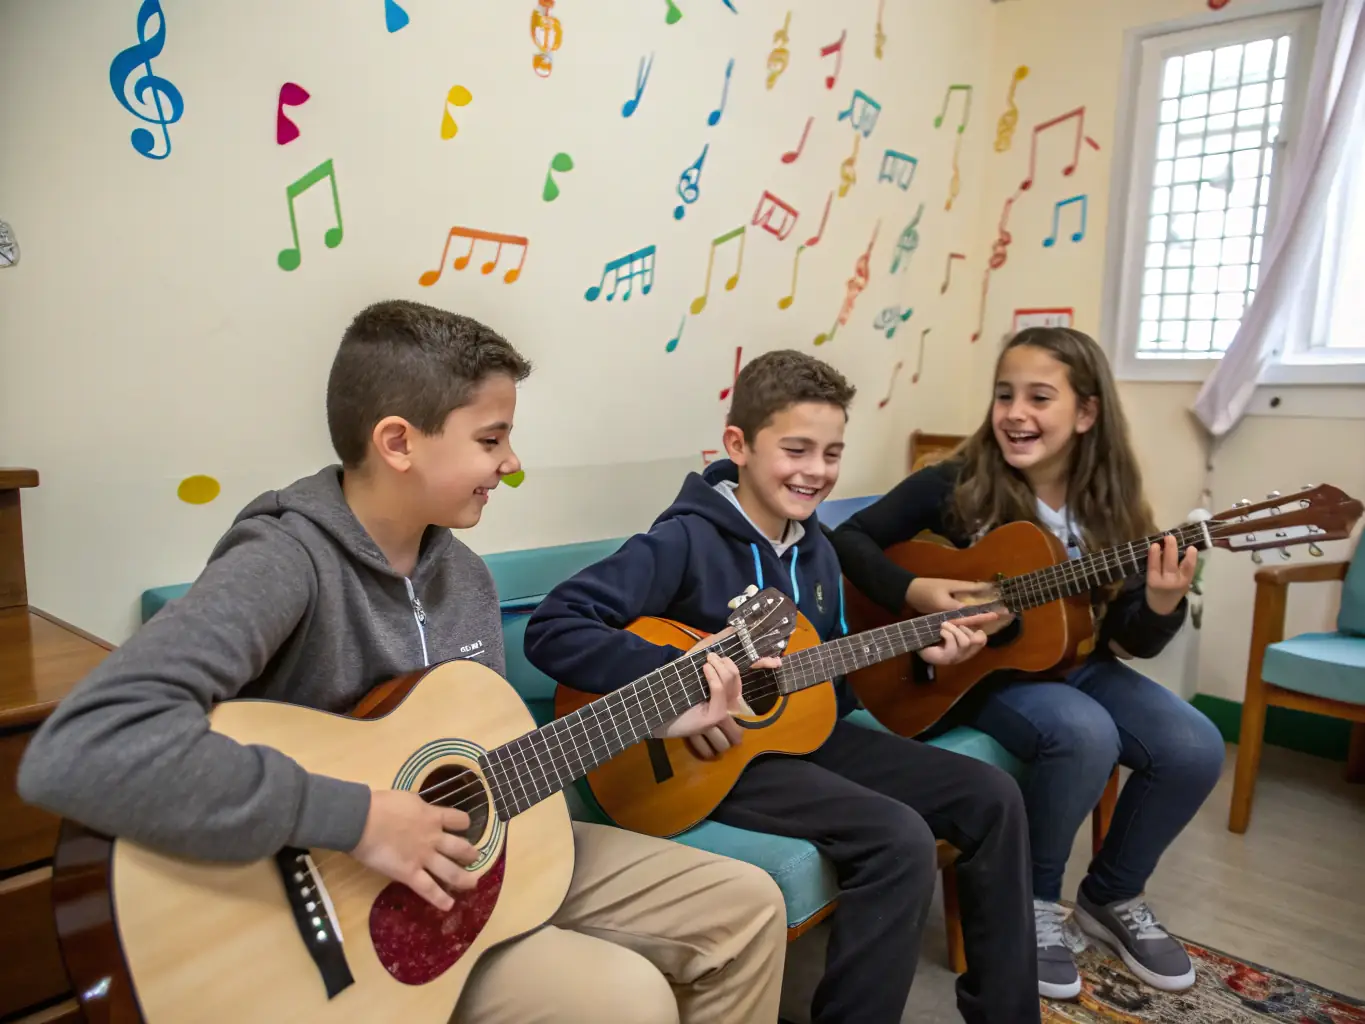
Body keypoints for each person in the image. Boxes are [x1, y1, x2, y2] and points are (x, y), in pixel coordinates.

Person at [18, 299, 789, 1024]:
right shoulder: (284, 562)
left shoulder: (466, 578)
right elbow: (84, 748)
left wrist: (656, 710)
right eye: (490, 439)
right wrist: (357, 817)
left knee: (749, 905)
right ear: (397, 442)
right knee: (627, 999)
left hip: (474, 866)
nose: (511, 462)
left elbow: (486, 765)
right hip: (348, 913)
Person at [524, 349, 1039, 1024]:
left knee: (993, 795)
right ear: (737, 444)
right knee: (898, 838)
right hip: (712, 759)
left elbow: (834, 684)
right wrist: (681, 682)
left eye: (831, 453)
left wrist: (928, 657)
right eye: (796, 449)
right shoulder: (683, 540)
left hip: (806, 736)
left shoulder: (816, 550)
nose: (816, 471)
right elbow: (554, 627)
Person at [830, 326, 1226, 999]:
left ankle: (1110, 896)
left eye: (1039, 397)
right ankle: (1035, 907)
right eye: (1004, 395)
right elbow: (848, 539)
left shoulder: (1113, 508)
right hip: (980, 675)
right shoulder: (957, 485)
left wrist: (1160, 601)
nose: (1015, 413)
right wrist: (917, 590)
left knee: (1195, 744)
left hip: (1077, 663)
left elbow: (1132, 640)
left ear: (1086, 412)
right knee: (1081, 733)